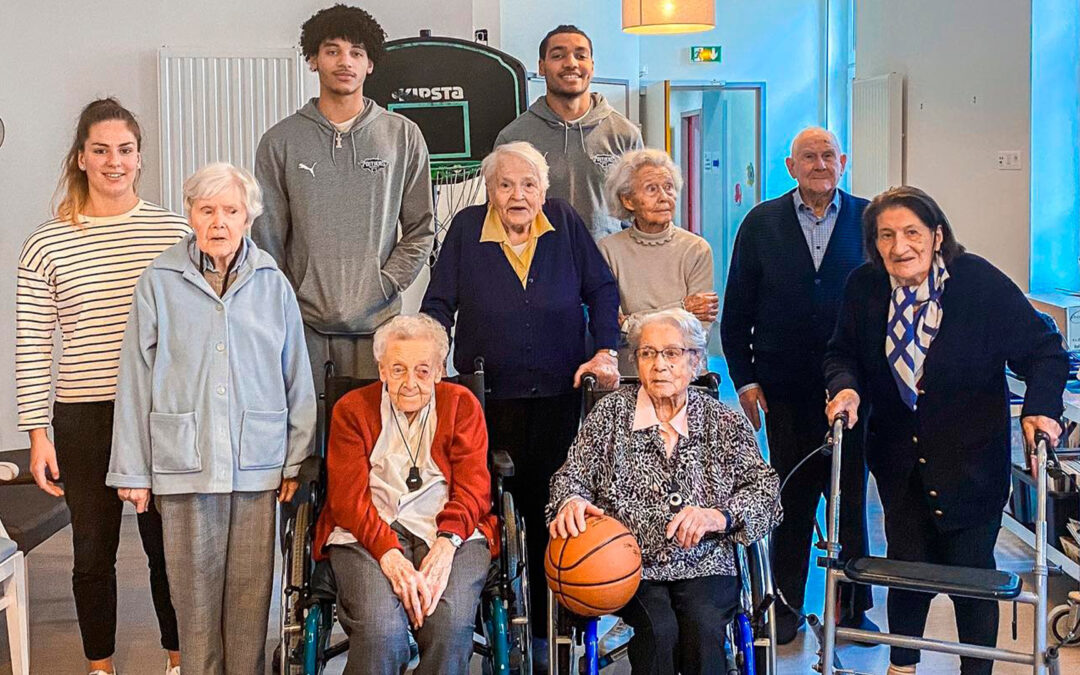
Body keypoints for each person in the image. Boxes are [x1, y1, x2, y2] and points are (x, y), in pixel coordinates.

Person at [824, 186, 1067, 675]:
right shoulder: (865, 287)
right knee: (906, 569)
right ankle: (902, 666)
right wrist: (845, 386)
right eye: (886, 235)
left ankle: (976, 669)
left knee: (971, 573)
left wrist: (1041, 409)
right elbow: (841, 352)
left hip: (971, 462)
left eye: (911, 232)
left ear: (936, 236)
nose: (899, 247)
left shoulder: (976, 283)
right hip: (897, 463)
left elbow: (1045, 351)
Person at [107, 163, 316, 674]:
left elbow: (297, 376)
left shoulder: (272, 282)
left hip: (257, 463)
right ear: (191, 216)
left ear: (248, 218)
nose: (219, 221)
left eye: (230, 210)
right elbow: (134, 377)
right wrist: (133, 471)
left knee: (249, 600)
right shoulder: (158, 280)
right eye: (207, 210)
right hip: (184, 461)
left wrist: (296, 460)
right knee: (194, 602)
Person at [421, 141, 620, 656]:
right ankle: (497, 621)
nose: (517, 194)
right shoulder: (467, 229)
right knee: (494, 510)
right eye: (505, 184)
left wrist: (604, 351)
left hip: (561, 394)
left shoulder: (565, 222)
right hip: (489, 402)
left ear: (544, 189)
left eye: (528, 184)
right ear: (489, 190)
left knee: (553, 508)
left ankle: (554, 626)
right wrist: (430, 359)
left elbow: (601, 289)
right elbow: (438, 302)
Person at [14, 97, 185, 675]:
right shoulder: (46, 242)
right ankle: (100, 666)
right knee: (92, 554)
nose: (115, 161)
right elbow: (34, 343)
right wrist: (38, 432)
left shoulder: (174, 231)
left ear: (139, 158)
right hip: (85, 415)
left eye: (126, 150)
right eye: (101, 150)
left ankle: (178, 659)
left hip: (161, 415)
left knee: (168, 552)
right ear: (81, 158)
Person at [547, 308, 781, 675]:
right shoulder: (609, 416)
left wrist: (718, 516)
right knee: (659, 630)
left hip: (707, 560)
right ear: (636, 361)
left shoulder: (722, 420)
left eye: (672, 353)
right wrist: (572, 501)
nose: (660, 365)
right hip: (631, 564)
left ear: (696, 362)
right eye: (648, 353)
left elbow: (765, 490)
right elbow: (570, 477)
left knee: (704, 628)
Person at [719, 126, 875, 642]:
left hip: (853, 390)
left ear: (843, 161)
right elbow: (736, 311)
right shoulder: (762, 223)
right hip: (784, 388)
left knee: (849, 497)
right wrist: (745, 381)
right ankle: (782, 606)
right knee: (790, 496)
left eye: (828, 155)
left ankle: (853, 609)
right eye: (808, 156)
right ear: (791, 167)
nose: (819, 164)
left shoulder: (870, 220)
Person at [253, 3, 435, 384]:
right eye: (332, 50)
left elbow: (420, 230)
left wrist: (385, 283)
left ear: (370, 64)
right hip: (303, 329)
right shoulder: (280, 141)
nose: (344, 61)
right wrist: (291, 297)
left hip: (381, 329)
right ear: (312, 60)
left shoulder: (403, 137)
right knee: (306, 439)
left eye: (356, 52)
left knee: (374, 438)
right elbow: (267, 237)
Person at [310, 314, 496, 675]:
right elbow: (348, 500)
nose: (410, 382)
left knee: (450, 624)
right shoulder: (352, 410)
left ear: (440, 371)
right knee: (382, 630)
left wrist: (445, 547)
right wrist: (390, 557)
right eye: (398, 370)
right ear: (381, 370)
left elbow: (475, 488)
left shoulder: (461, 405)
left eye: (422, 370)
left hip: (451, 532)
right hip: (366, 533)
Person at [495, 24, 643, 241]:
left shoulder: (625, 135)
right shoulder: (513, 138)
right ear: (542, 66)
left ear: (591, 66)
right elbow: (501, 212)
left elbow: (639, 208)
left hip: (607, 265)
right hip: (537, 266)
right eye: (558, 55)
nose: (571, 63)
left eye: (580, 56)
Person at [598, 148, 717, 372]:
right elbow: (610, 326)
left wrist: (630, 321)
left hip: (685, 377)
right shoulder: (608, 250)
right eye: (652, 189)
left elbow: (697, 332)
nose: (664, 197)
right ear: (628, 200)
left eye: (669, 187)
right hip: (631, 374)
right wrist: (681, 307)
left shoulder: (696, 249)